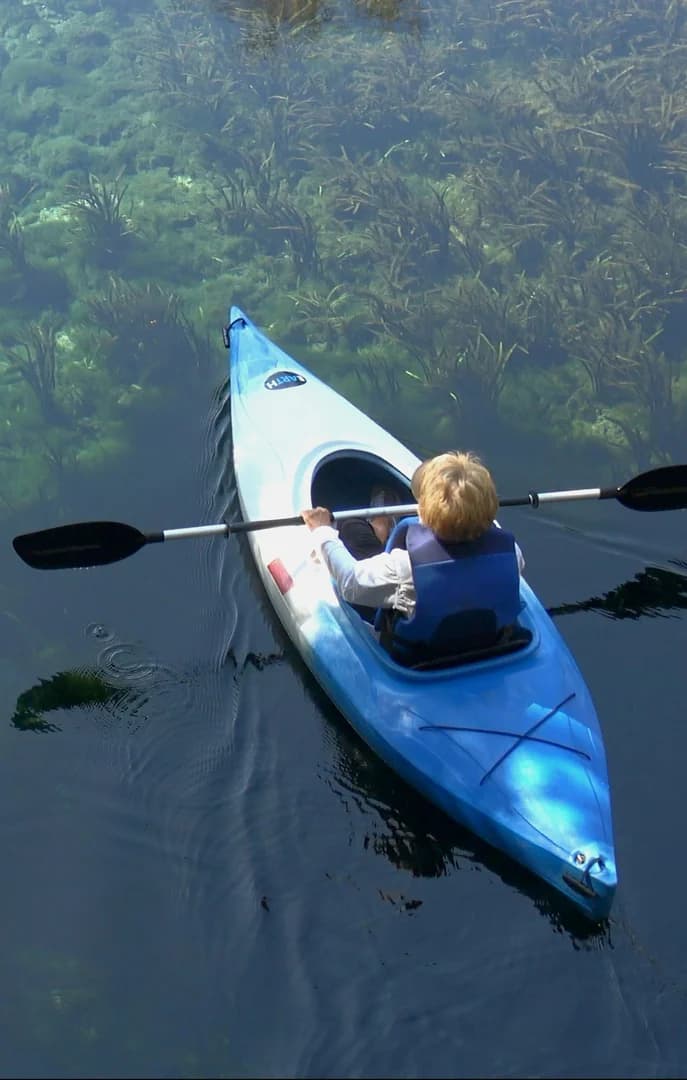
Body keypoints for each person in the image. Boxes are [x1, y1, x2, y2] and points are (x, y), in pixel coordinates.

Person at [301, 451, 525, 664]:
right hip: (489, 644)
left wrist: (323, 531)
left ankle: (380, 527)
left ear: (423, 514)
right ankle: (382, 524)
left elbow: (350, 583)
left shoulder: (404, 567)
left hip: (420, 658)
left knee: (351, 529)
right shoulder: (512, 552)